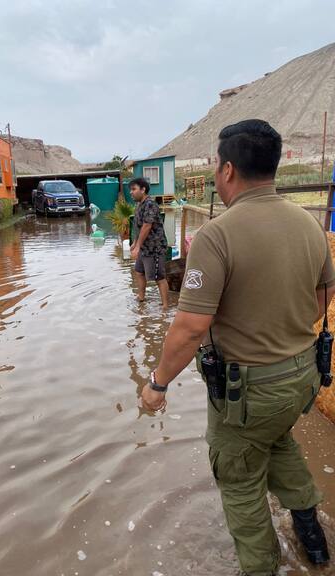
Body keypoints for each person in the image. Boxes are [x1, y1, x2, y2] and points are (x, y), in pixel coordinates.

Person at [141, 119, 333, 576]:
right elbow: (323, 295)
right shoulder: (310, 225)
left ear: (227, 170)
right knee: (276, 441)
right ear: (275, 165)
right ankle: (316, 543)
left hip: (249, 394)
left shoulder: (216, 235)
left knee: (240, 480)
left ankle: (261, 568)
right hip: (302, 379)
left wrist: (156, 384)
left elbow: (188, 328)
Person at [129, 177, 169, 307]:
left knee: (159, 278)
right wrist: (135, 242)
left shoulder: (150, 204)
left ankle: (165, 307)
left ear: (143, 189)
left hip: (155, 248)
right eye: (131, 190)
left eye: (134, 189)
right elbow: (138, 226)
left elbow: (147, 226)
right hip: (144, 248)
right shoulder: (139, 205)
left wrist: (137, 247)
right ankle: (141, 298)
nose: (131, 192)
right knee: (139, 271)